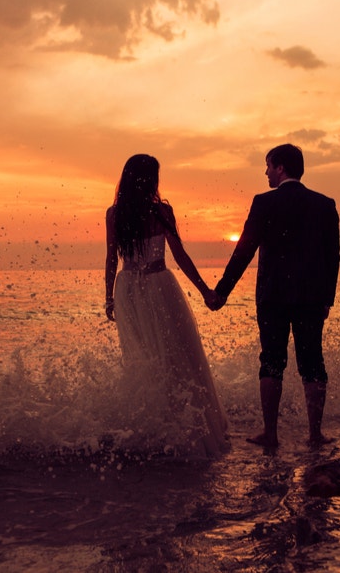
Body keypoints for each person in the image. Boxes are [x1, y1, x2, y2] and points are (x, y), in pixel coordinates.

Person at [209, 144, 340, 449]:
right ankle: (315, 434)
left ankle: (271, 434)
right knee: (312, 362)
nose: (266, 172)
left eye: (268, 166)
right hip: (310, 297)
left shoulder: (264, 203)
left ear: (280, 167)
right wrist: (327, 299)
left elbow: (244, 251)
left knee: (271, 362)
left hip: (273, 296)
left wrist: (222, 292)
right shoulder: (324, 204)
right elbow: (333, 256)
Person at [105, 154, 229, 458]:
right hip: (159, 286)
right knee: (177, 355)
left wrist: (109, 297)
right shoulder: (162, 211)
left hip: (128, 289)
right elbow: (180, 256)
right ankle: (184, 427)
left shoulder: (114, 212)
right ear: (151, 180)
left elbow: (111, 258)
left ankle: (152, 429)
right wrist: (204, 291)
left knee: (142, 357)